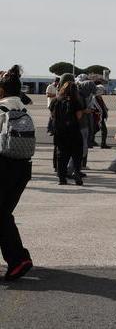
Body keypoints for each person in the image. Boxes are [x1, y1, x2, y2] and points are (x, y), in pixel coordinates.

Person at [0, 66, 34, 281]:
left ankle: (19, 259)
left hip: (3, 167)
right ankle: (20, 258)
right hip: (22, 168)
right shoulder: (22, 107)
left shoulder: (1, 110)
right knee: (3, 215)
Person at [50, 80, 84, 185]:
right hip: (74, 131)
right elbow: (79, 116)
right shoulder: (76, 101)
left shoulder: (55, 100)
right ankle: (77, 174)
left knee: (61, 155)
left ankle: (62, 178)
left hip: (60, 132)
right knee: (76, 154)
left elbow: (52, 115)